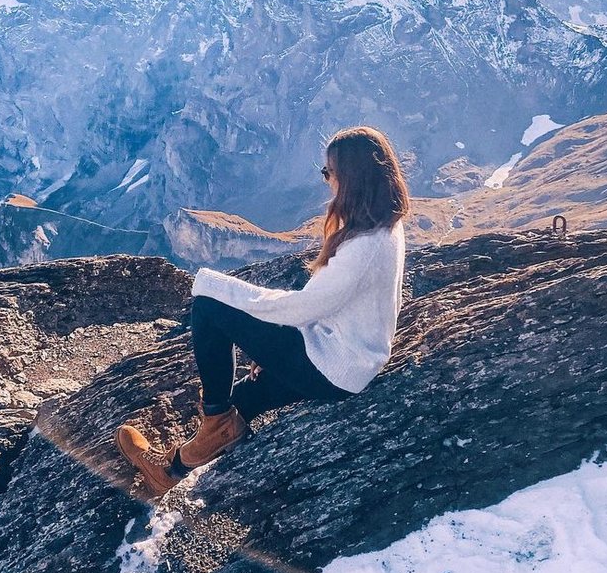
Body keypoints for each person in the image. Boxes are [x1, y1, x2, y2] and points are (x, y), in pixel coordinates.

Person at [115, 125, 410, 496]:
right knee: (241, 401)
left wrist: (260, 326)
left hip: (332, 366)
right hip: (345, 358)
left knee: (208, 304)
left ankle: (214, 425)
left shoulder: (365, 246)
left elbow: (304, 307)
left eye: (329, 172)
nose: (327, 181)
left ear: (352, 178)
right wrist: (273, 346)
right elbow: (334, 302)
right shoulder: (384, 224)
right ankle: (171, 471)